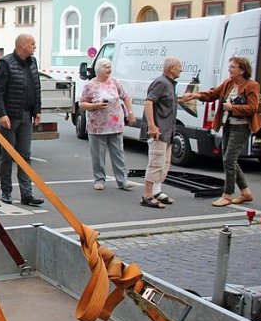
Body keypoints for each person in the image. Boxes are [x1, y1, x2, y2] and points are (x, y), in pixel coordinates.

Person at [182, 56, 261, 207]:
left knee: (228, 160)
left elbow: (253, 108)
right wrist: (196, 95)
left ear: (242, 70)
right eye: (230, 66)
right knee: (229, 159)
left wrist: (233, 108)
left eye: (233, 67)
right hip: (228, 125)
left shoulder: (252, 85)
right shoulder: (228, 83)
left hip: (242, 127)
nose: (229, 69)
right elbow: (213, 94)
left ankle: (227, 195)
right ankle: (245, 193)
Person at [0, 34, 44, 206]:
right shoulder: (5, 63)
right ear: (22, 45)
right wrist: (2, 114)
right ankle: (6, 192)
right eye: (32, 43)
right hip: (10, 117)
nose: (35, 46)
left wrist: (37, 110)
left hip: (26, 116)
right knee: (7, 156)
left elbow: (36, 88)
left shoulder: (33, 62)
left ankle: (26, 194)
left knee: (25, 156)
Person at [79, 58, 136, 191]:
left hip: (115, 124)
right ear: (99, 69)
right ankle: (99, 179)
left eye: (110, 67)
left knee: (118, 153)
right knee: (98, 154)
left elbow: (126, 97)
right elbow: (82, 103)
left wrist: (130, 112)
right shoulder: (90, 85)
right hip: (97, 126)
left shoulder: (115, 82)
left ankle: (122, 180)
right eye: (106, 67)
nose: (109, 70)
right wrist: (96, 105)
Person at [140, 57, 187, 209]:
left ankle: (156, 191)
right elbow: (148, 102)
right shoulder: (161, 82)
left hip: (168, 132)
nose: (181, 69)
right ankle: (147, 195)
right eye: (179, 67)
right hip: (159, 131)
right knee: (155, 163)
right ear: (172, 68)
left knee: (164, 164)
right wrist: (152, 126)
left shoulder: (170, 84)